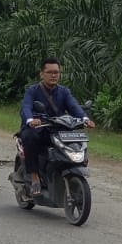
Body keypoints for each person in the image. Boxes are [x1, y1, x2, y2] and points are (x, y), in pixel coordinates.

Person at [19, 58, 94, 195]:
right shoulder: (33, 91)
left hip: (56, 129)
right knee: (29, 137)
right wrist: (31, 120)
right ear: (42, 74)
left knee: (76, 140)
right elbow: (26, 107)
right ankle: (35, 177)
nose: (54, 75)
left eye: (56, 72)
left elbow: (74, 106)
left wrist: (85, 119)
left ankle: (68, 169)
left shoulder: (64, 92)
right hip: (37, 128)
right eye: (50, 72)